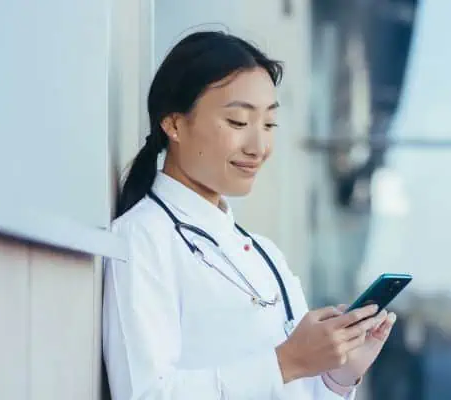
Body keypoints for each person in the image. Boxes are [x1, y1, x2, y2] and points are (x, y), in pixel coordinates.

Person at [102, 31, 397, 399]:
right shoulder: (141, 238)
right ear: (174, 124)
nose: (258, 147)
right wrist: (286, 362)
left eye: (269, 125)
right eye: (239, 122)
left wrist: (338, 376)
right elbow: (144, 394)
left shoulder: (264, 254)